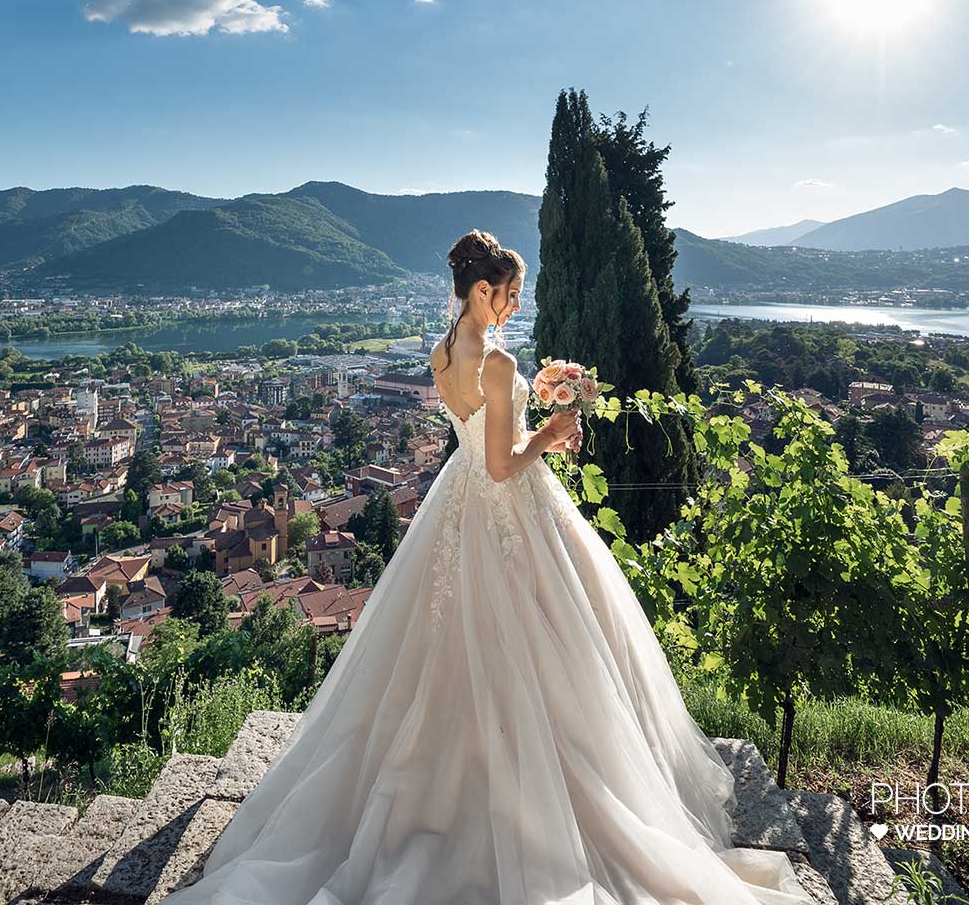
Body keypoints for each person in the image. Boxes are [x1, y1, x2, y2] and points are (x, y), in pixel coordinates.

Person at [164, 230, 811, 904]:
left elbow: (479, 441)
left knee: (440, 644)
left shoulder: (445, 350)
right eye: (510, 295)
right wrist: (552, 434)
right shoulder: (497, 362)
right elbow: (503, 465)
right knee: (550, 639)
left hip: (457, 502)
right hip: (507, 504)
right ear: (482, 290)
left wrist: (537, 411)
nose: (515, 306)